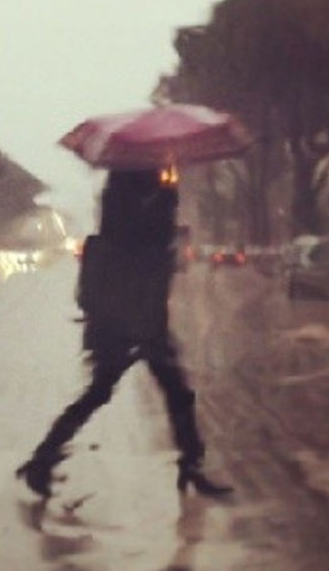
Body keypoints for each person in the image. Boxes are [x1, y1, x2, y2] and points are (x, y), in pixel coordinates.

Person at [16, 167, 231, 499]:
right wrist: (169, 194)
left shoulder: (121, 197)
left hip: (130, 319)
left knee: (154, 393)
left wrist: (165, 195)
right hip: (131, 320)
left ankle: (43, 460)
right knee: (149, 393)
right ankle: (42, 460)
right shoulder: (134, 205)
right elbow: (153, 238)